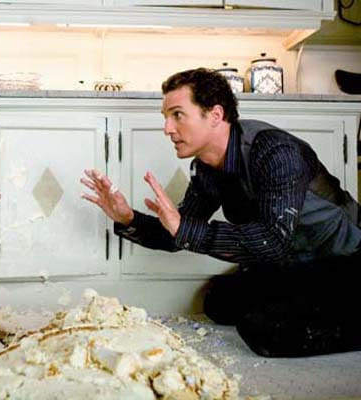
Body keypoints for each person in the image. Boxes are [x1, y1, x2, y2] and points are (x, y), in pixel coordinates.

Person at [81, 68, 361, 358]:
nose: (167, 128)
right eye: (166, 117)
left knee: (265, 329)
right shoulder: (207, 167)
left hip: (342, 259)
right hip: (292, 264)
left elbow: (272, 240)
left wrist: (184, 229)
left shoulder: (275, 152)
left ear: (215, 115)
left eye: (177, 115)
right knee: (219, 301)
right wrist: (127, 218)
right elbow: (179, 233)